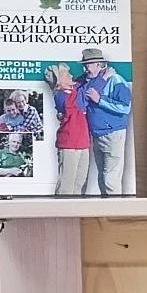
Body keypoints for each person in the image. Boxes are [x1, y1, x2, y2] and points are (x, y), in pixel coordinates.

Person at [77, 47, 132, 197]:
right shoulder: (86, 81)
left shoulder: (116, 80)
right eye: (84, 64)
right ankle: (106, 206)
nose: (85, 68)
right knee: (102, 176)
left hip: (113, 134)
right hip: (96, 134)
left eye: (88, 64)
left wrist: (100, 100)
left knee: (110, 179)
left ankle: (115, 208)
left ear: (99, 64)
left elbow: (125, 108)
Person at [48, 63, 91, 197]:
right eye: (67, 75)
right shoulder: (60, 96)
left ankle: (76, 207)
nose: (71, 76)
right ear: (59, 81)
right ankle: (60, 207)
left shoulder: (74, 91)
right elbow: (73, 105)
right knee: (66, 184)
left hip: (83, 142)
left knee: (80, 183)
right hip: (69, 144)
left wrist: (88, 73)